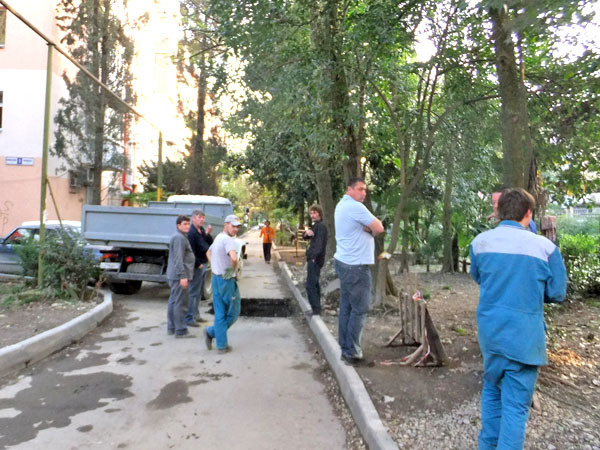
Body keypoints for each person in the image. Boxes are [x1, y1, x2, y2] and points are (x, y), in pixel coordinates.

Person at [469, 188, 567, 449]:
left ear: (499, 212)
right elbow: (557, 293)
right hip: (524, 340)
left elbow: (479, 277)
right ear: (528, 213)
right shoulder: (546, 249)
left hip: (491, 334)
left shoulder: (480, 243)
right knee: (515, 407)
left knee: (492, 390)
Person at [334, 177, 384, 365]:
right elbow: (379, 227)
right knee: (360, 309)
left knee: (347, 307)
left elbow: (371, 228)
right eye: (360, 189)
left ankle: (345, 348)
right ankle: (353, 353)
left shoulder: (341, 205)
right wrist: (370, 230)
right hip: (356, 266)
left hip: (344, 262)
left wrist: (368, 228)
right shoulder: (355, 207)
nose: (364, 193)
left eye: (365, 190)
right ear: (350, 189)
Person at [204, 214, 242, 354]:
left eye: (237, 227)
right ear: (226, 224)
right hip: (226, 281)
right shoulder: (228, 240)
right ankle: (211, 332)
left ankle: (221, 345)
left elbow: (208, 252)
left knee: (220, 312)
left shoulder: (219, 237)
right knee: (233, 311)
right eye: (233, 226)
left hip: (216, 278)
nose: (235, 229)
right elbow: (234, 258)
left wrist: (215, 266)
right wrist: (231, 270)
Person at [166, 215, 196, 338]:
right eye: (185, 224)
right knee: (180, 303)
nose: (187, 226)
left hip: (175, 275)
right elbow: (178, 258)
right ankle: (181, 330)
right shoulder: (179, 238)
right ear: (178, 225)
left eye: (188, 224)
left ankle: (172, 327)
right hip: (179, 276)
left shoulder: (180, 236)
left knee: (174, 301)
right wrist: (182, 276)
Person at [185, 210, 213, 326]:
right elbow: (190, 251)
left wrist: (207, 233)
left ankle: (196, 315)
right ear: (193, 219)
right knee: (193, 292)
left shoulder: (201, 230)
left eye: (203, 217)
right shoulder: (191, 233)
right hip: (197, 266)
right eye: (199, 217)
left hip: (203, 263)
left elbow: (209, 243)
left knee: (198, 293)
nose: (201, 219)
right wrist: (198, 264)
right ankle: (189, 318)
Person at [302, 204, 328, 315]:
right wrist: (306, 234)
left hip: (315, 259)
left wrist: (314, 257)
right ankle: (316, 308)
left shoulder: (321, 227)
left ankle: (315, 309)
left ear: (319, 213)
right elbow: (305, 236)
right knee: (315, 283)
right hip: (313, 258)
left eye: (315, 213)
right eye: (311, 213)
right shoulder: (315, 226)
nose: (312, 215)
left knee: (310, 285)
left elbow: (319, 244)